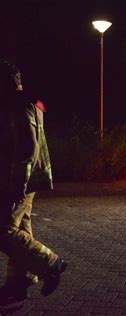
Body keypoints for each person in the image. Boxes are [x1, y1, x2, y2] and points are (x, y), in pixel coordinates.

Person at [0, 60, 67, 305]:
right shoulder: (28, 102)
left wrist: (17, 184)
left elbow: (27, 148)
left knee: (3, 231)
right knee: (20, 229)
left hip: (17, 180)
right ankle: (19, 283)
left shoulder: (18, 105)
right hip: (24, 179)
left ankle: (50, 263)